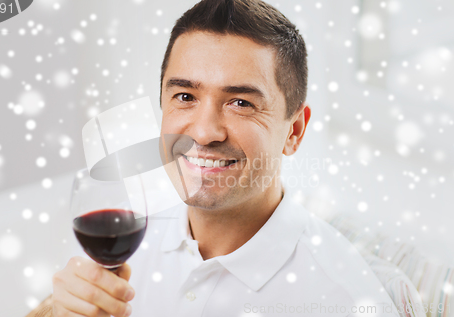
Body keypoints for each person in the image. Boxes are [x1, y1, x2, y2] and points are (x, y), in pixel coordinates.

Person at [28, 0, 400, 316]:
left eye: (241, 103)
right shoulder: (130, 226)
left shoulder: (343, 299)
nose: (204, 132)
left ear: (294, 131)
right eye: (185, 97)